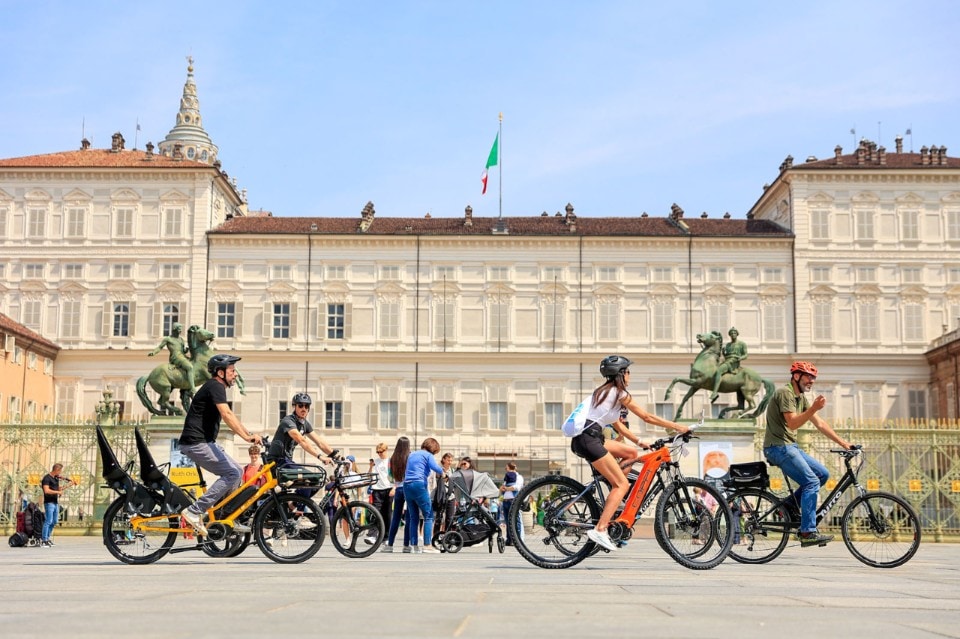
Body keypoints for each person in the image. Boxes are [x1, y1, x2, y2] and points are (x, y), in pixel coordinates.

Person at [570, 355, 689, 552]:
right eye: (628, 371)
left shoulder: (603, 392)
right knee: (622, 484)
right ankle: (600, 528)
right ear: (621, 374)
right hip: (589, 440)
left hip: (589, 438)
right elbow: (646, 416)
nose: (630, 375)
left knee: (631, 453)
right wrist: (678, 427)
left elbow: (617, 425)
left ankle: (616, 497)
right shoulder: (619, 393)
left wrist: (638, 441)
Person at [763, 361, 852, 547]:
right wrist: (813, 409)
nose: (812, 381)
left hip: (790, 446)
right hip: (777, 447)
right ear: (796, 376)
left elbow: (820, 424)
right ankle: (807, 531)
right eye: (808, 376)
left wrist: (845, 443)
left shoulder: (800, 398)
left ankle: (788, 505)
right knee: (811, 481)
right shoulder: (785, 393)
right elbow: (793, 423)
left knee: (823, 474)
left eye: (813, 378)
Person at [177, 354, 262, 537]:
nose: (235, 375)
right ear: (220, 372)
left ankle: (223, 517)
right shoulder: (215, 385)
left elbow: (230, 414)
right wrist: (247, 437)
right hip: (195, 443)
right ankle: (194, 510)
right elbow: (227, 415)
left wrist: (249, 434)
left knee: (237, 471)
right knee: (231, 473)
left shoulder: (216, 387)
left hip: (204, 442)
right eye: (232, 371)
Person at [404, 437, 444, 554]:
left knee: (413, 517)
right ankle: (427, 545)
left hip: (407, 486)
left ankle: (414, 546)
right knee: (428, 515)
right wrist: (443, 473)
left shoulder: (412, 455)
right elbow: (435, 467)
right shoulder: (428, 455)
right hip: (419, 485)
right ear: (433, 449)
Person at [381, 436, 411, 553]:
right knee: (409, 517)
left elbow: (390, 477)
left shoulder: (393, 458)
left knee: (396, 518)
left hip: (398, 489)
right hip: (408, 487)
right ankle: (406, 545)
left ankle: (390, 544)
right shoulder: (410, 457)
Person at [148, 322, 195, 389]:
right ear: (174, 329)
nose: (180, 331)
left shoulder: (181, 340)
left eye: (181, 329)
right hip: (175, 358)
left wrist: (186, 350)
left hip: (182, 356)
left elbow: (183, 351)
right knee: (190, 367)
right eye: (179, 329)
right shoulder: (168, 339)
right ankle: (192, 388)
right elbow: (160, 347)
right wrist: (154, 352)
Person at [710, 327, 747, 403]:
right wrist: (724, 353)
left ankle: (715, 393)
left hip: (734, 362)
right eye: (731, 333)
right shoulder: (728, 345)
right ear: (730, 335)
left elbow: (745, 355)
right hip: (727, 360)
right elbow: (726, 356)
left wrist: (740, 358)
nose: (733, 334)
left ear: (737, 334)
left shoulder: (742, 344)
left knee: (719, 371)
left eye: (734, 333)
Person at [368, 442, 392, 542]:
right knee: (375, 512)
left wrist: (394, 487)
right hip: (377, 489)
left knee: (387, 514)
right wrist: (370, 466)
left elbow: (395, 476)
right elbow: (370, 475)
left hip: (388, 489)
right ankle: (372, 534)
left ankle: (386, 537)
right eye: (378, 452)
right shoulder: (375, 461)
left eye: (381, 452)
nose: (379, 454)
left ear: (386, 450)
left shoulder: (391, 462)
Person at [40, 463, 66, 547]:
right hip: (49, 502)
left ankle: (47, 538)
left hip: (55, 502)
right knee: (48, 521)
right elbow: (46, 490)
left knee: (54, 521)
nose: (60, 473)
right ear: (57, 470)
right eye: (60, 471)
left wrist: (61, 489)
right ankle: (44, 539)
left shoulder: (56, 479)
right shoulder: (46, 478)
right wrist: (58, 492)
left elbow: (56, 489)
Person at [499, 462, 524, 546]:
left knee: (516, 521)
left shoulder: (518, 477)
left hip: (513, 501)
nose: (506, 470)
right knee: (507, 521)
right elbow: (503, 487)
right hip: (505, 501)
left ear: (510, 468)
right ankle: (509, 539)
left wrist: (506, 488)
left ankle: (517, 539)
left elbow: (517, 487)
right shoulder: (507, 478)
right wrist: (502, 488)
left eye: (506, 468)